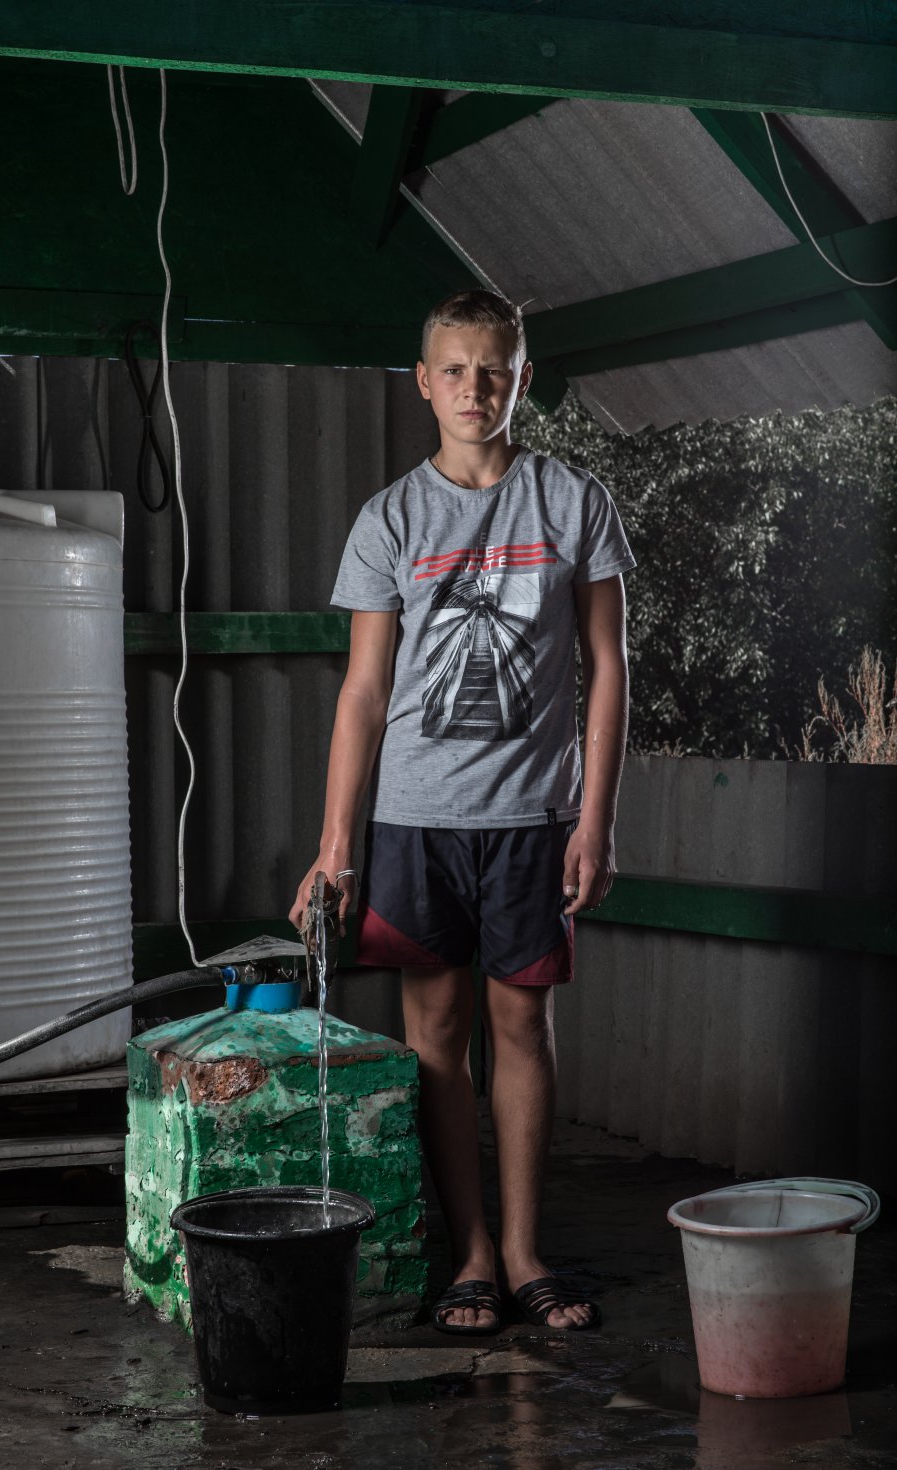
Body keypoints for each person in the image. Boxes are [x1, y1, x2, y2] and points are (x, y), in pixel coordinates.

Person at [290, 289, 634, 1335]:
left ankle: (527, 1252)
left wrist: (594, 818)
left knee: (518, 1022)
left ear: (521, 378)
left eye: (494, 368)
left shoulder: (572, 504)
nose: (474, 388)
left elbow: (608, 667)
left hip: (533, 819)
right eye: (454, 369)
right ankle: (470, 1255)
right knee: (434, 1034)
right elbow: (361, 693)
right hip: (414, 823)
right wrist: (333, 849)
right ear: (423, 382)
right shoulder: (389, 518)